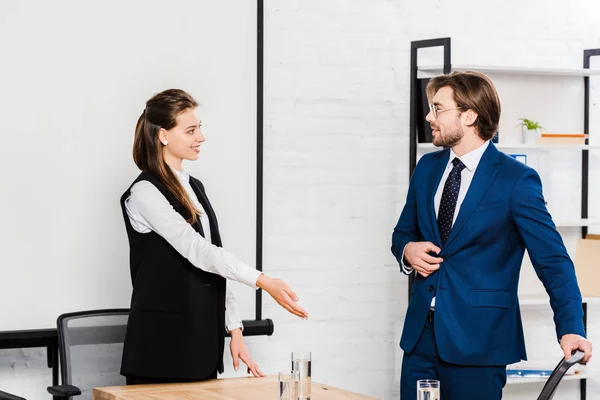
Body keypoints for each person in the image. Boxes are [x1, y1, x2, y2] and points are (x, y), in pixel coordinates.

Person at [391, 71, 592, 400]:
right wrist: (408, 251)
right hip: (419, 340)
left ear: (469, 115)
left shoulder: (516, 181)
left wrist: (571, 327)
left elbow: (553, 260)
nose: (429, 117)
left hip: (479, 343)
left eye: (438, 108)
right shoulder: (427, 168)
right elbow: (402, 233)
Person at [120, 88, 308, 385]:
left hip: (201, 347)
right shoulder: (144, 192)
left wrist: (235, 331)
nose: (201, 138)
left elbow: (214, 261)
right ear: (164, 136)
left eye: (200, 128)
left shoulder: (195, 187)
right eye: (191, 130)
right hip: (159, 351)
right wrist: (262, 280)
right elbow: (197, 250)